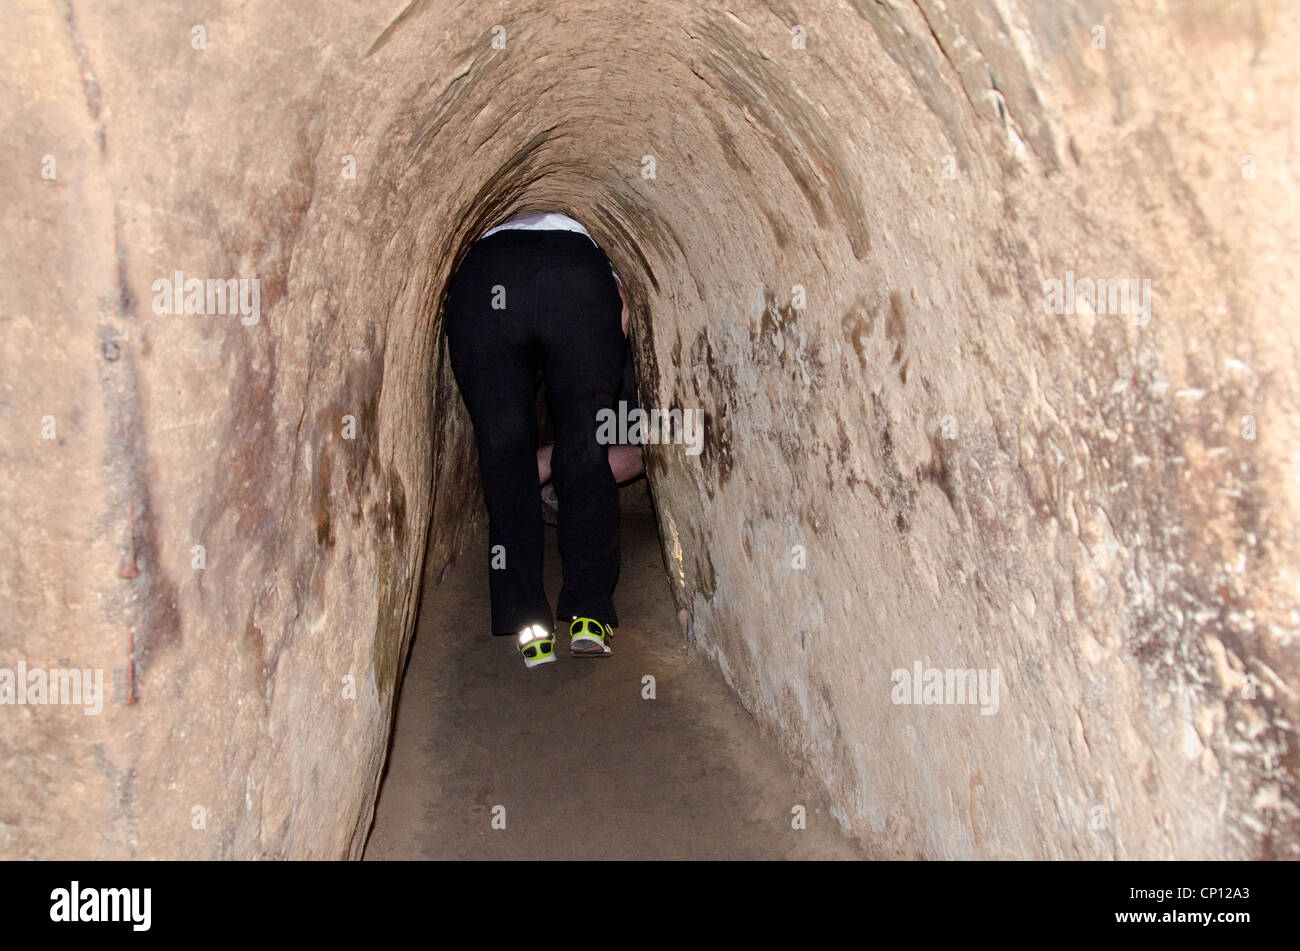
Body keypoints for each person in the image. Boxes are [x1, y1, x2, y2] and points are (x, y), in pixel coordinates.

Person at [442, 211, 633, 668]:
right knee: (585, 443)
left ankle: (529, 624)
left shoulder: (488, 206)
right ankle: (588, 614)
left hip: (486, 274)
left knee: (504, 450)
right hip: (576, 274)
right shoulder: (581, 213)